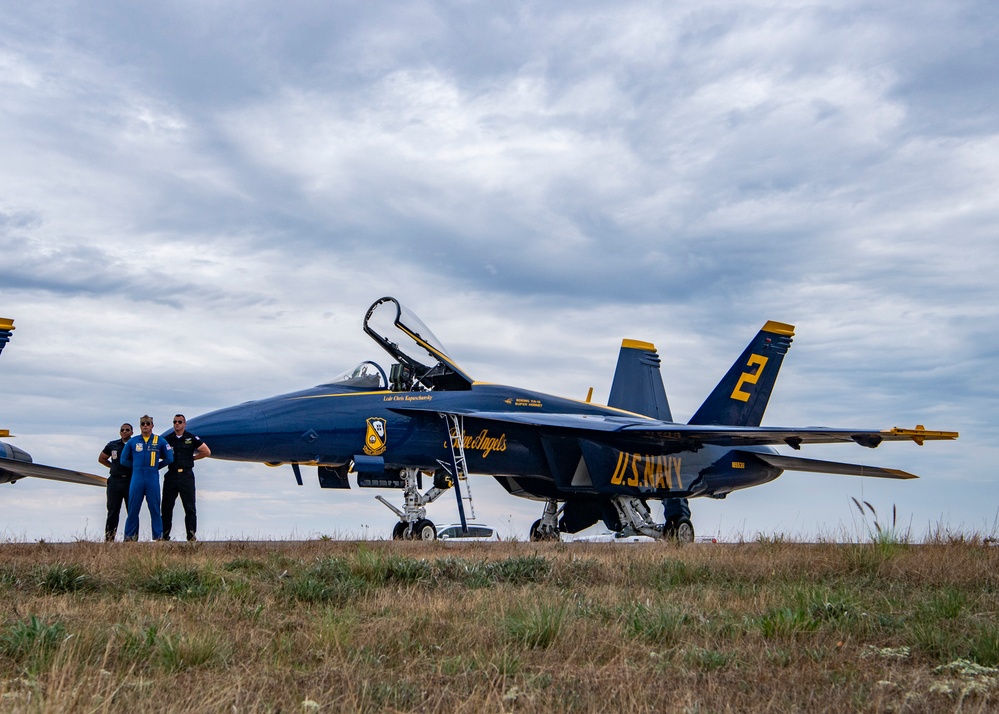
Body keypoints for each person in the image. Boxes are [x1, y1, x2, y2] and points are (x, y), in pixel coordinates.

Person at [120, 415, 173, 541]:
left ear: (152, 426)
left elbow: (170, 458)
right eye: (143, 423)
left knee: (155, 508)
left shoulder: (160, 441)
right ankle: (129, 537)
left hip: (152, 477)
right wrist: (135, 467)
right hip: (137, 476)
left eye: (148, 423)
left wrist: (156, 467)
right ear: (140, 426)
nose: (145, 426)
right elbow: (123, 459)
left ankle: (158, 536)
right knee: (133, 508)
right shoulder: (133, 442)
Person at [162, 414, 210, 542]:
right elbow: (160, 453)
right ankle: (165, 536)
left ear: (184, 424)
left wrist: (193, 458)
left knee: (189, 507)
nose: (176, 424)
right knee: (167, 507)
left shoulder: (191, 437)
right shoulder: (168, 439)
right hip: (171, 475)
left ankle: (191, 536)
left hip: (186, 475)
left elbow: (206, 451)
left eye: (179, 422)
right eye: (175, 422)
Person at [98, 423, 134, 541]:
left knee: (132, 510)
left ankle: (131, 539)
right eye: (122, 430)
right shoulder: (113, 445)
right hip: (115, 480)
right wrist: (113, 467)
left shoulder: (135, 444)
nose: (124, 432)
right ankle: (109, 538)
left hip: (129, 480)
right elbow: (102, 458)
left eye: (127, 430)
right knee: (113, 511)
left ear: (131, 432)